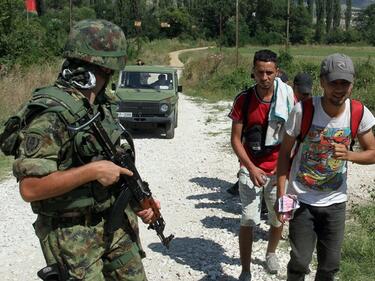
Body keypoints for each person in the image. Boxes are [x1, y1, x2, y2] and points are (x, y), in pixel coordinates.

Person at [0, 19, 158, 280]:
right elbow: (30, 188)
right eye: (109, 70)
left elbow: (115, 159)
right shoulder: (50, 114)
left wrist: (138, 199)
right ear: (99, 68)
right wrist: (92, 171)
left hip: (113, 223)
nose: (111, 76)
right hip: (72, 234)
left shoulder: (99, 105)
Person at [276, 53, 375, 281]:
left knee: (330, 266)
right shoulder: (303, 110)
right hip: (301, 199)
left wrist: (350, 155)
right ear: (322, 82)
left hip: (335, 203)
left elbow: (372, 152)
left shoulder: (359, 113)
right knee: (300, 261)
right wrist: (283, 197)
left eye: (345, 83)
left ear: (352, 84)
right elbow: (284, 155)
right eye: (333, 83)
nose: (339, 89)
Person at [229, 49, 295, 280]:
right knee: (248, 218)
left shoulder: (288, 98)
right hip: (250, 167)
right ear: (253, 72)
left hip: (279, 169)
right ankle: (245, 269)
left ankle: (271, 253)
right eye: (260, 72)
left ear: (277, 72)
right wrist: (250, 167)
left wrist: (285, 166)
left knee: (278, 217)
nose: (264, 77)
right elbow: (235, 140)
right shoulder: (244, 100)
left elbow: (295, 135)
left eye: (269, 72)